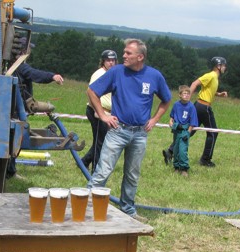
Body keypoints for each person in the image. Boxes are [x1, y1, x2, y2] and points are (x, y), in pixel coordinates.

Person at [87, 38, 172, 221]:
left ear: (140, 57)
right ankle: (86, 208)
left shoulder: (154, 76)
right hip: (118, 130)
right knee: (103, 171)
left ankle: (128, 210)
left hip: (140, 133)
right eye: (124, 52)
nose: (123, 56)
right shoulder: (117, 72)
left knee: (132, 174)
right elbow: (92, 91)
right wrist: (102, 115)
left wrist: (155, 119)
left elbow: (166, 99)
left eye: (128, 53)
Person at [0, 61, 64, 180]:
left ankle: (6, 170)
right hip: (14, 109)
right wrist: (52, 76)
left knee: (11, 140)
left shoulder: (12, 66)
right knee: (15, 140)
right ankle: (9, 171)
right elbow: (34, 74)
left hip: (11, 107)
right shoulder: (19, 66)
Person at [189, 56, 228, 167]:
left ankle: (170, 151)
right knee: (213, 132)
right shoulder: (210, 75)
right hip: (204, 107)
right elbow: (194, 84)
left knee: (190, 131)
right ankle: (205, 160)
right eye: (224, 65)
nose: (225, 68)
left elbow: (209, 91)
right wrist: (186, 100)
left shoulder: (215, 78)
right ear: (218, 66)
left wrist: (219, 94)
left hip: (200, 106)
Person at [82, 50, 117, 172]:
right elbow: (90, 93)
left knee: (101, 140)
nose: (111, 63)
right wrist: (99, 111)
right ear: (103, 61)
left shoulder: (112, 74)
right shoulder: (99, 74)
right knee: (100, 142)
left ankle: (84, 161)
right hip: (97, 112)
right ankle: (96, 170)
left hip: (106, 113)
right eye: (108, 60)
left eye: (113, 60)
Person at [163, 85, 198, 176]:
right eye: (184, 93)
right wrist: (171, 121)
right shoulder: (176, 105)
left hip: (184, 131)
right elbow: (172, 116)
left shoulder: (191, 107)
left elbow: (193, 122)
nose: (186, 95)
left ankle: (184, 169)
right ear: (180, 95)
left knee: (183, 151)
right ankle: (176, 167)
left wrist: (188, 132)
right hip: (176, 131)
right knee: (176, 150)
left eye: (188, 94)